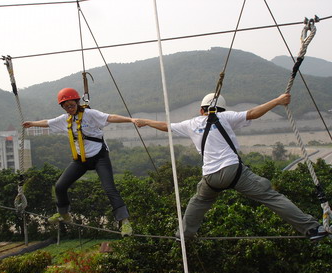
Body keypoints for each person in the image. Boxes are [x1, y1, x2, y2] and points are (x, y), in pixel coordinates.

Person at [135, 92, 329, 241]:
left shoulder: (191, 123)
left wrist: (144, 121)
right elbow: (253, 113)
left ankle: (183, 234)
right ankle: (311, 228)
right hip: (234, 171)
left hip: (210, 177)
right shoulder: (227, 118)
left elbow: (165, 125)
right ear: (222, 110)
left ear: (201, 110)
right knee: (270, 196)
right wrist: (277, 101)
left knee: (199, 202)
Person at [23, 88, 135, 236]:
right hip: (81, 160)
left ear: (77, 102)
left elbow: (110, 117)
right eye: (66, 106)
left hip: (99, 157)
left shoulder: (90, 114)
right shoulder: (65, 119)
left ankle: (124, 222)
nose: (69, 109)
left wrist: (131, 120)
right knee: (60, 186)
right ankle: (63, 213)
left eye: (71, 105)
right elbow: (48, 123)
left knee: (109, 188)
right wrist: (32, 124)